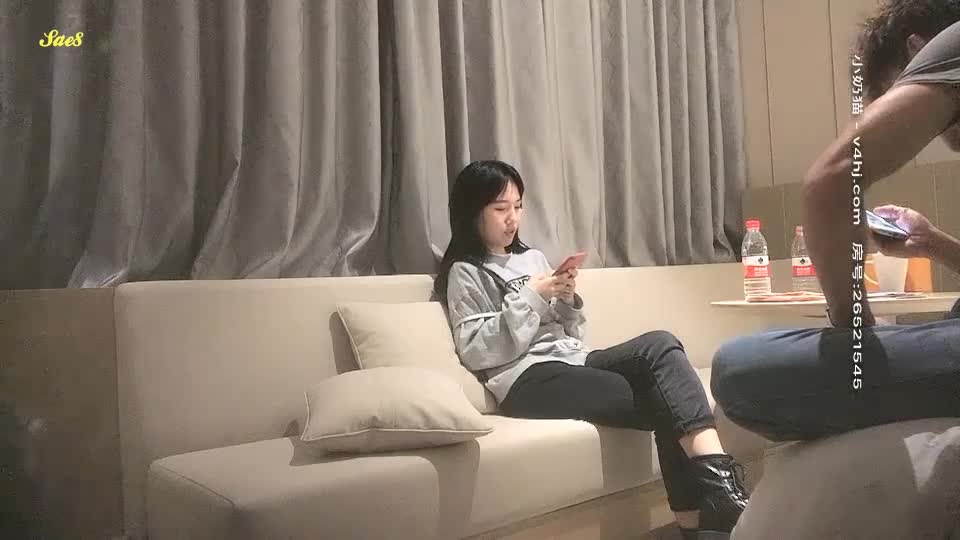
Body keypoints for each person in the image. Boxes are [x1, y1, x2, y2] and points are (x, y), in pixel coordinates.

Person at [434, 160, 748, 539]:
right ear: (472, 211)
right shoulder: (466, 272)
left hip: (573, 359)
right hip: (526, 379)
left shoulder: (532, 258)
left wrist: (567, 300)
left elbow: (570, 333)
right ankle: (708, 513)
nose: (513, 218)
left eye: (518, 206)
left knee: (661, 344)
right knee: (667, 397)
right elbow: (477, 350)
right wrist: (532, 296)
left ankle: (715, 493)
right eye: (501, 208)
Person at [712, 0, 960, 442]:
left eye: (898, 93)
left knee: (738, 368)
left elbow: (831, 181)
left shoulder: (952, 46)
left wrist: (855, 327)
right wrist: (932, 242)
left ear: (920, 49)